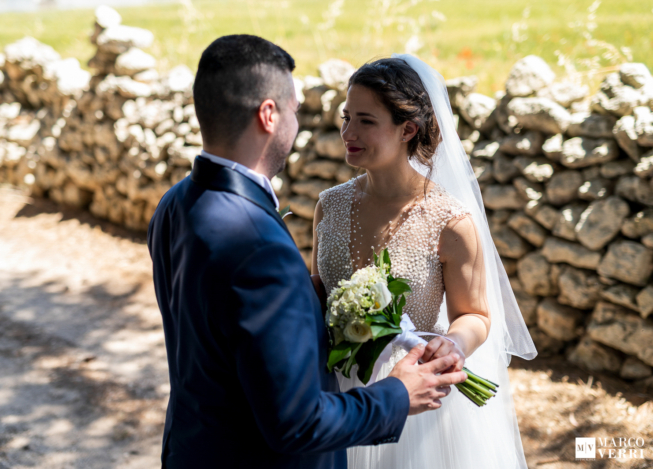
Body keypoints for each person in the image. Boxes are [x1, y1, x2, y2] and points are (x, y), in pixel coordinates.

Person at [147, 36, 467, 469]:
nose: (341, 131)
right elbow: (297, 422)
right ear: (268, 115)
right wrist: (398, 393)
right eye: (295, 111)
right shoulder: (258, 245)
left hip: (195, 449)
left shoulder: (175, 203)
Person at [312, 55, 538, 469]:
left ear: (407, 129)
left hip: (416, 403)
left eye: (365, 120)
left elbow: (475, 314)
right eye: (346, 117)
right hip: (336, 399)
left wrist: (453, 344)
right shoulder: (329, 206)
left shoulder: (450, 221)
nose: (348, 132)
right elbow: (318, 294)